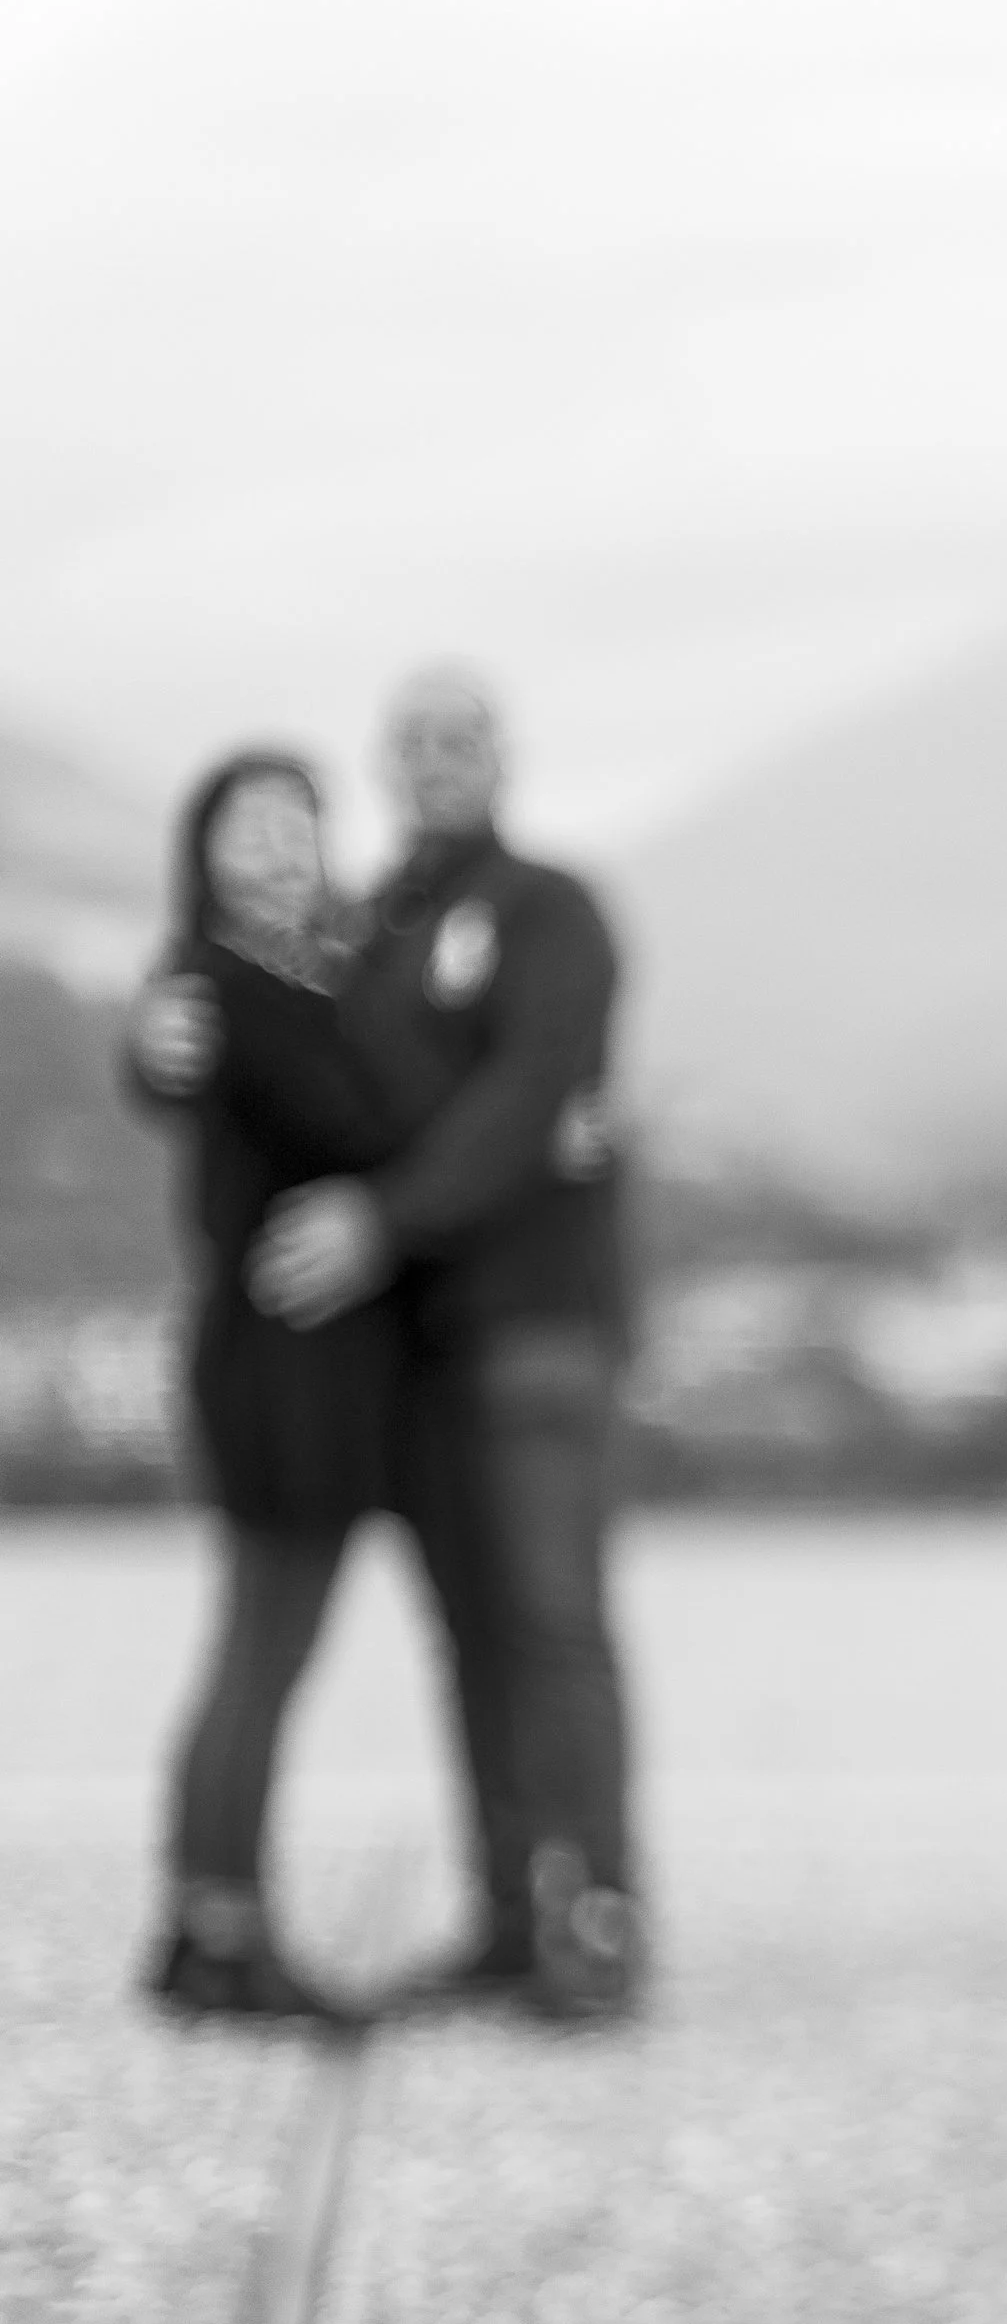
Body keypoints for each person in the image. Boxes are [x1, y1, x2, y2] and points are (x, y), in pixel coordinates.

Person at [139, 669, 645, 2022]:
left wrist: (398, 1205)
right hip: (405, 1348)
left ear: (504, 752)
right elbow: (229, 1034)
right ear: (388, 763)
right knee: (469, 1634)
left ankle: (594, 1917)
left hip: (533, 1327)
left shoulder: (549, 908)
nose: (436, 762)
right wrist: (149, 1048)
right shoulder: (375, 929)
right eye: (411, 742)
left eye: (461, 737)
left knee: (550, 1628)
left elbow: (525, 1089)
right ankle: (502, 1915)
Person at [133, 751, 402, 2020]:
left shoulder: (292, 971)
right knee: (262, 1653)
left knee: (247, 1648)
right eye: (251, 823)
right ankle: (228, 1936)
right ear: (205, 847)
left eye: (301, 818)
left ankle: (197, 1924)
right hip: (278, 1360)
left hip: (276, 1355)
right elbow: (345, 1119)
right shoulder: (228, 977)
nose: (283, 843)